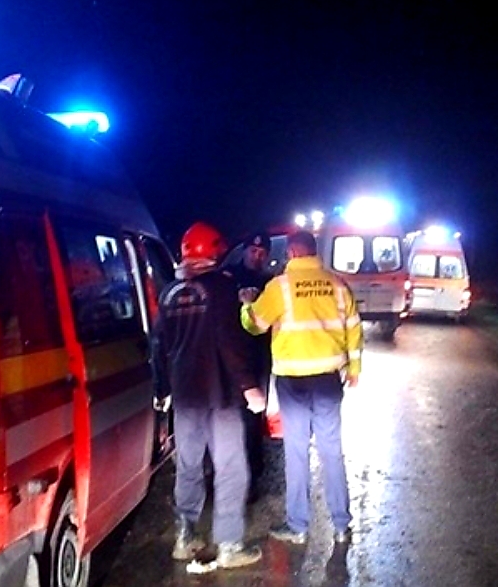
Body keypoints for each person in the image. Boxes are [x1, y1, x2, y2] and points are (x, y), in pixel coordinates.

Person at [150, 221, 265, 569]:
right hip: (220, 395)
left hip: (185, 397)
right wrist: (249, 386)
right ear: (214, 252)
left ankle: (184, 537)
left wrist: (162, 389)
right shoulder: (222, 288)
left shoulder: (169, 293)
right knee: (231, 468)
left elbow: (158, 345)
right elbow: (230, 341)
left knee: (188, 466)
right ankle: (229, 545)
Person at [240, 230, 362, 546]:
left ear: (292, 253)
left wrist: (246, 306)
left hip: (293, 383)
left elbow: (255, 325)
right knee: (331, 450)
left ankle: (298, 526)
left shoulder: (279, 287)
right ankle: (341, 525)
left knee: (296, 452)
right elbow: (354, 328)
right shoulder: (337, 285)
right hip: (328, 382)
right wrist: (354, 369)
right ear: (313, 251)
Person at [222, 231, 273, 502]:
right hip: (230, 358)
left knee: (254, 420)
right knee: (228, 418)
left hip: (258, 358)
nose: (257, 256)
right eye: (253, 251)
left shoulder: (270, 283)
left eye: (262, 253)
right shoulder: (226, 277)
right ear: (244, 251)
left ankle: (252, 477)